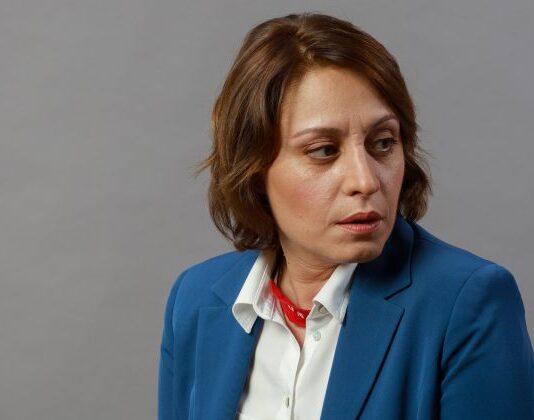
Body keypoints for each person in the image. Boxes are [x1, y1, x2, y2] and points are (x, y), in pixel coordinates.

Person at [157, 13, 534, 420]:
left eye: (383, 143)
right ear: (254, 169)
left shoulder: (469, 302)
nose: (365, 180)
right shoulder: (194, 299)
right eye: (323, 150)